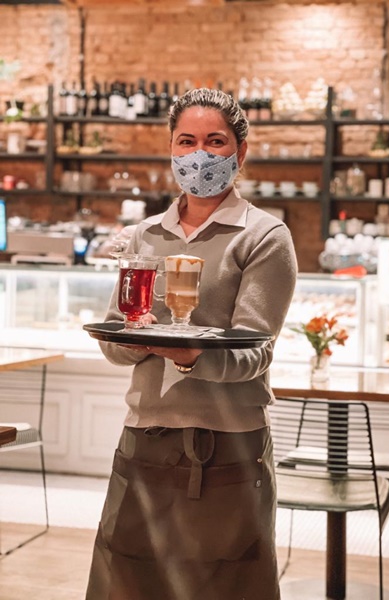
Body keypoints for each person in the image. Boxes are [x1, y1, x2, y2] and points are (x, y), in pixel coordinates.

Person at [86, 88, 298, 600]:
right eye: (187, 141)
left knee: (225, 586)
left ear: (240, 153)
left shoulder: (264, 237)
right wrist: (145, 340)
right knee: (127, 582)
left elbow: (255, 353)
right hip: (144, 437)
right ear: (172, 150)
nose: (199, 154)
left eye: (215, 142)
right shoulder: (144, 237)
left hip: (227, 444)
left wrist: (189, 357)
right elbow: (118, 340)